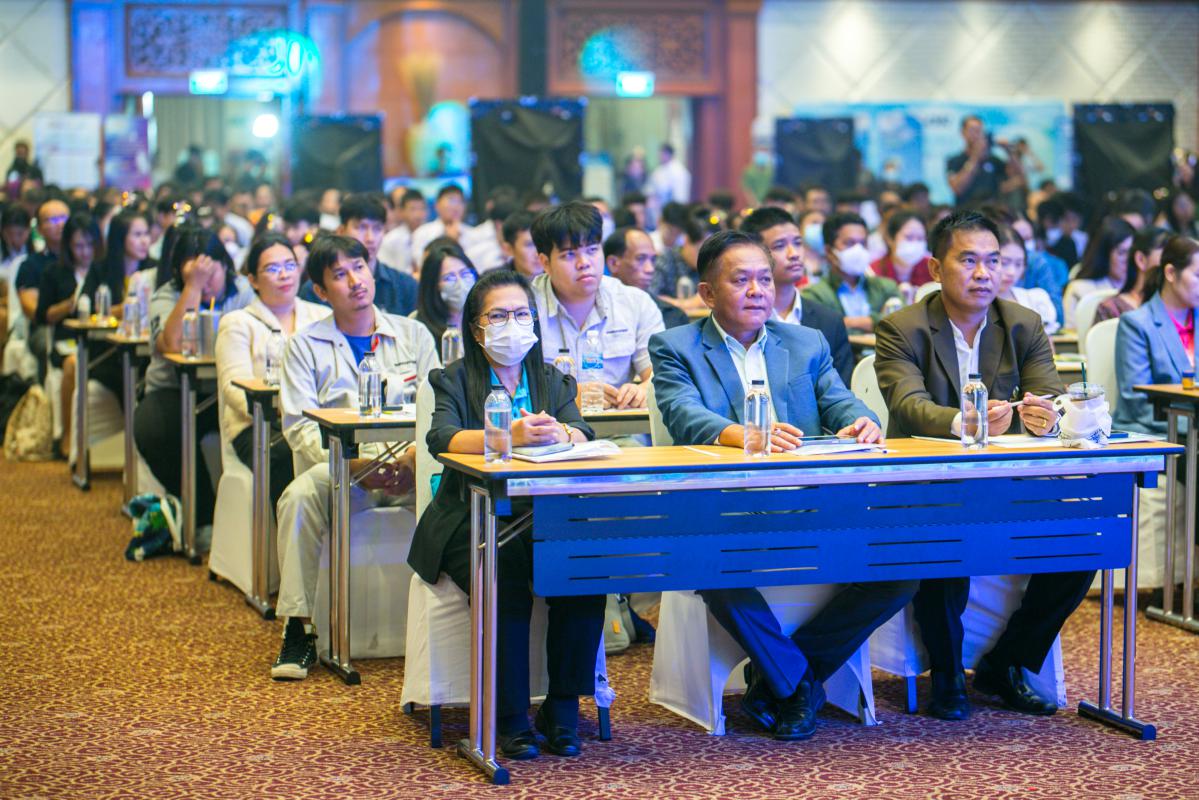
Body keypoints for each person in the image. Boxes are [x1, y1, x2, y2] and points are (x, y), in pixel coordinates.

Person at [649, 229, 915, 740]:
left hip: (808, 503)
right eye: (741, 280)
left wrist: (860, 420)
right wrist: (744, 434)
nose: (757, 291)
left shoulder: (805, 342)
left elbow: (837, 400)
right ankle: (796, 689)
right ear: (707, 293)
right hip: (726, 509)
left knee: (900, 571)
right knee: (713, 565)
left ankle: (782, 679)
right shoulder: (675, 346)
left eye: (764, 280)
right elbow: (683, 414)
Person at [874, 210, 1086, 721]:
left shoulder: (1022, 324)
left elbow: (1052, 398)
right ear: (935, 268)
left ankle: (1007, 662)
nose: (984, 273)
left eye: (993, 261)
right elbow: (909, 406)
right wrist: (963, 422)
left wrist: (1044, 418)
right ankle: (947, 673)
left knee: (1083, 541)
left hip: (1006, 483)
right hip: (927, 484)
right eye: (968, 260)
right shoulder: (902, 328)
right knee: (946, 536)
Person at [407, 268, 604, 759]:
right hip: (470, 515)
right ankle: (510, 716)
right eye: (498, 316)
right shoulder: (453, 378)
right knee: (505, 569)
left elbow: (583, 431)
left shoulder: (551, 378)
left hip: (545, 513)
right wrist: (506, 435)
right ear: (477, 329)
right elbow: (442, 438)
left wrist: (563, 433)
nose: (511, 324)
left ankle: (562, 707)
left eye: (521, 314)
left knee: (585, 567)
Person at [273, 234, 440, 681]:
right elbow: (299, 427)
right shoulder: (304, 345)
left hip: (410, 469)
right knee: (297, 498)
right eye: (340, 274)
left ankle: (451, 625)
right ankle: (299, 628)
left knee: (463, 497)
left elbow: (438, 412)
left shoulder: (413, 335)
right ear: (321, 290)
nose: (355, 281)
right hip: (344, 472)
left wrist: (413, 459)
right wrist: (355, 468)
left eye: (359, 268)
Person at [134, 225, 255, 547]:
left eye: (209, 273)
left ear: (225, 265)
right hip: (172, 390)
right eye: (192, 274)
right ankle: (202, 516)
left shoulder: (244, 292)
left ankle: (249, 520)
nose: (206, 281)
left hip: (227, 391)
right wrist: (193, 288)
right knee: (153, 429)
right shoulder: (168, 295)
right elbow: (171, 344)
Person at [212, 231, 325, 509]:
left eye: (290, 265)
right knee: (288, 454)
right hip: (258, 426)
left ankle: (338, 530)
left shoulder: (321, 316)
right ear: (252, 279)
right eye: (273, 269)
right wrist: (288, 411)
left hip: (317, 420)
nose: (284, 275)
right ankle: (292, 530)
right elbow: (234, 390)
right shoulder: (238, 323)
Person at [530, 201, 663, 410]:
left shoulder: (636, 303)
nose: (584, 263)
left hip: (619, 425)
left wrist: (645, 389)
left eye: (592, 250)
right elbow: (509, 384)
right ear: (545, 263)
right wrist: (566, 396)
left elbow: (661, 373)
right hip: (549, 426)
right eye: (569, 255)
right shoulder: (523, 308)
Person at [739, 207, 854, 385]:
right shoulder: (742, 319)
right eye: (779, 246)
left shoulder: (829, 322)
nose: (794, 254)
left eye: (798, 243)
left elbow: (841, 390)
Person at [1114, 236, 1199, 436]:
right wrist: (1194, 426)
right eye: (1198, 275)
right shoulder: (1136, 324)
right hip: (1154, 432)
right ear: (1170, 273)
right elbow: (1137, 404)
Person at [35, 214, 105, 458]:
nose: (85, 252)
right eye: (78, 246)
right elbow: (43, 315)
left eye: (89, 245)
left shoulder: (103, 271)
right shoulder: (54, 272)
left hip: (100, 341)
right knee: (73, 364)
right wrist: (68, 305)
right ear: (68, 246)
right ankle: (67, 436)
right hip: (66, 342)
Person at [300, 193, 419, 317]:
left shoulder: (405, 285)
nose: (370, 238)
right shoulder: (318, 290)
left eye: (377, 228)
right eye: (361, 227)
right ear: (341, 231)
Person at [802, 212, 900, 335]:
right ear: (829, 251)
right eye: (849, 243)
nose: (858, 250)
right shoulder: (815, 295)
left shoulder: (886, 287)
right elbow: (824, 331)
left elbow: (902, 323)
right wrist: (879, 321)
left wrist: (848, 322)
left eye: (863, 243)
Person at [603, 226, 689, 329]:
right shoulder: (596, 312)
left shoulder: (672, 316)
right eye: (640, 259)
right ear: (613, 263)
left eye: (653, 260)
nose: (650, 269)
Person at [1062, 216, 1135, 330]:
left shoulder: (1141, 290)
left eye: (1132, 252)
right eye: (1122, 253)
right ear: (1104, 255)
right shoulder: (1079, 290)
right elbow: (1071, 336)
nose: (1128, 259)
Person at [945, 115, 1024, 208]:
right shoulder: (954, 160)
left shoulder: (993, 160)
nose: (977, 135)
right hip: (965, 213)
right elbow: (957, 189)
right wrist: (975, 157)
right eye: (973, 130)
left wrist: (1009, 152)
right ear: (963, 133)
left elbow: (1019, 177)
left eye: (979, 131)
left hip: (991, 213)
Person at [993, 224, 1059, 334]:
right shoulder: (975, 304)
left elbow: (1048, 343)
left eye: (1018, 264)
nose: (1011, 272)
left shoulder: (1035, 299)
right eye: (1004, 263)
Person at [1095, 227, 1170, 323]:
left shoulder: (1177, 309)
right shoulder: (1112, 308)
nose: (1172, 266)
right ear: (1141, 260)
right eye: (1166, 256)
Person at [653, 207, 720, 307]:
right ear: (687, 240)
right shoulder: (666, 260)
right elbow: (652, 297)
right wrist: (690, 303)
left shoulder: (713, 265)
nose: (706, 258)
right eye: (701, 251)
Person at [414, 245, 478, 344]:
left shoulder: (487, 316)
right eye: (449, 278)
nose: (460, 283)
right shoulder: (419, 328)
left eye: (465, 273)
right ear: (433, 285)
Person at [1, 204, 32, 376]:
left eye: (20, 234)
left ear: (28, 231)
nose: (14, 239)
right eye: (9, 234)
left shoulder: (34, 256)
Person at [411, 183, 472, 263]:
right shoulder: (422, 233)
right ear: (437, 205)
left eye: (460, 201)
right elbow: (422, 264)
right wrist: (450, 241)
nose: (456, 206)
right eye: (451, 200)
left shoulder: (472, 233)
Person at [872, 210, 933, 289]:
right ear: (890, 239)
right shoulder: (874, 271)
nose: (915, 243)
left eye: (920, 238)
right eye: (909, 237)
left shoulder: (932, 269)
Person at [377, 188, 428, 273]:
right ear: (401, 211)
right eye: (413, 209)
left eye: (422, 208)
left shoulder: (433, 235)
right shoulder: (390, 240)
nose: (418, 214)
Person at [647, 143, 692, 212]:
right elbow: (651, 189)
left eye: (662, 154)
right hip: (660, 207)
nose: (659, 156)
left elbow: (680, 195)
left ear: (668, 154)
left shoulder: (678, 171)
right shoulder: (658, 170)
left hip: (674, 208)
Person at [499, 210, 541, 279]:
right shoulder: (495, 282)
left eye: (541, 243)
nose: (537, 254)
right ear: (508, 249)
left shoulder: (557, 276)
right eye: (529, 245)